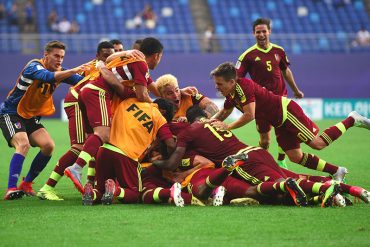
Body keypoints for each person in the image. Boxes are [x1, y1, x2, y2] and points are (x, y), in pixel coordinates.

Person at [154, 106, 370, 207]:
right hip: (258, 151)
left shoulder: (189, 132)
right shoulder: (214, 125)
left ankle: (331, 190)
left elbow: (173, 161)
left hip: (243, 162)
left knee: (275, 187)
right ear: (205, 117)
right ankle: (336, 186)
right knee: (292, 172)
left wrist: (156, 164)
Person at [210, 62, 370, 181]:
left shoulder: (242, 87)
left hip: (287, 113)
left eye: (219, 84)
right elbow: (224, 111)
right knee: (295, 156)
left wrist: (227, 127)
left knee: (318, 144)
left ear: (231, 82)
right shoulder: (230, 94)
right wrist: (207, 123)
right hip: (279, 122)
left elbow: (249, 115)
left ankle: (352, 119)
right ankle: (336, 171)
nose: (217, 87)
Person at [63, 37, 164, 192]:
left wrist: (170, 95)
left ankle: (92, 180)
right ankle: (76, 168)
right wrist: (155, 105)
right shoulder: (141, 64)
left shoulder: (131, 58)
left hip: (87, 91)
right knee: (103, 134)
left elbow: (111, 58)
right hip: (99, 93)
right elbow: (142, 95)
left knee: (94, 139)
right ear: (157, 55)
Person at [0, 40, 87, 200]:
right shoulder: (34, 66)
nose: (59, 60)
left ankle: (26, 184)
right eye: (56, 56)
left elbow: (81, 80)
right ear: (46, 55)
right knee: (23, 144)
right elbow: (46, 77)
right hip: (12, 113)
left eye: (62, 57)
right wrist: (74, 70)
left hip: (30, 117)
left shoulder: (60, 71)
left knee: (48, 146)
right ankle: (11, 189)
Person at [37, 41, 115, 200]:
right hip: (78, 101)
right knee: (80, 146)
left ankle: (90, 183)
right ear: (98, 56)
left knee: (95, 142)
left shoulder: (109, 65)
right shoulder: (99, 66)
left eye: (114, 53)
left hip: (85, 101)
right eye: (106, 55)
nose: (110, 58)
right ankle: (47, 187)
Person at [236, 18, 304, 168]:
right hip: (262, 104)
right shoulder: (248, 55)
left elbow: (286, 71)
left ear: (269, 32)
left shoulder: (279, 50)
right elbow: (236, 79)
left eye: (264, 31)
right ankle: (263, 161)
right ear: (253, 34)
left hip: (281, 99)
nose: (261, 34)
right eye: (258, 32)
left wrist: (295, 90)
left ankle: (280, 159)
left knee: (285, 132)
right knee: (265, 141)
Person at [82, 98, 176, 206]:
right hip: (126, 155)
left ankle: (91, 193)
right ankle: (115, 190)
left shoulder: (129, 101)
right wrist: (169, 158)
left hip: (105, 149)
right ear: (163, 112)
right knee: (135, 193)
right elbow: (170, 144)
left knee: (100, 189)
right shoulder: (159, 118)